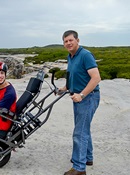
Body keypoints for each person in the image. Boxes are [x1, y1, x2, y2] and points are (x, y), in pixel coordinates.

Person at [59, 30, 101, 175]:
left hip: (88, 97)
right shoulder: (70, 56)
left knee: (79, 132)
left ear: (77, 40)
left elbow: (96, 78)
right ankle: (87, 158)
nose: (68, 43)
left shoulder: (85, 55)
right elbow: (73, 76)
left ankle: (79, 168)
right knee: (83, 128)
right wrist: (65, 88)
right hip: (77, 97)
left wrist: (82, 95)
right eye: (66, 41)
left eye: (71, 40)